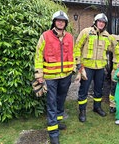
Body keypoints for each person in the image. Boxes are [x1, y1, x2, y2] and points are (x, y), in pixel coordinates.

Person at [34, 10, 74, 144]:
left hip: (66, 76)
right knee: (52, 103)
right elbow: (39, 56)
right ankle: (53, 132)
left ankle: (57, 122)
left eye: (63, 21)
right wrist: (39, 75)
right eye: (58, 20)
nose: (60, 22)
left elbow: (72, 54)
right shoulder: (45, 36)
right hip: (50, 77)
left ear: (65, 23)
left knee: (61, 101)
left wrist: (75, 69)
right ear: (54, 22)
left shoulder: (70, 37)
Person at [74, 13, 112, 122]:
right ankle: (82, 111)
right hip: (87, 67)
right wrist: (78, 64)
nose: (101, 24)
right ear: (95, 22)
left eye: (103, 22)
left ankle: (97, 107)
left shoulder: (107, 36)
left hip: (100, 68)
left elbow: (113, 47)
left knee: (99, 89)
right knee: (84, 89)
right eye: (99, 21)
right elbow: (77, 47)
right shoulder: (86, 32)